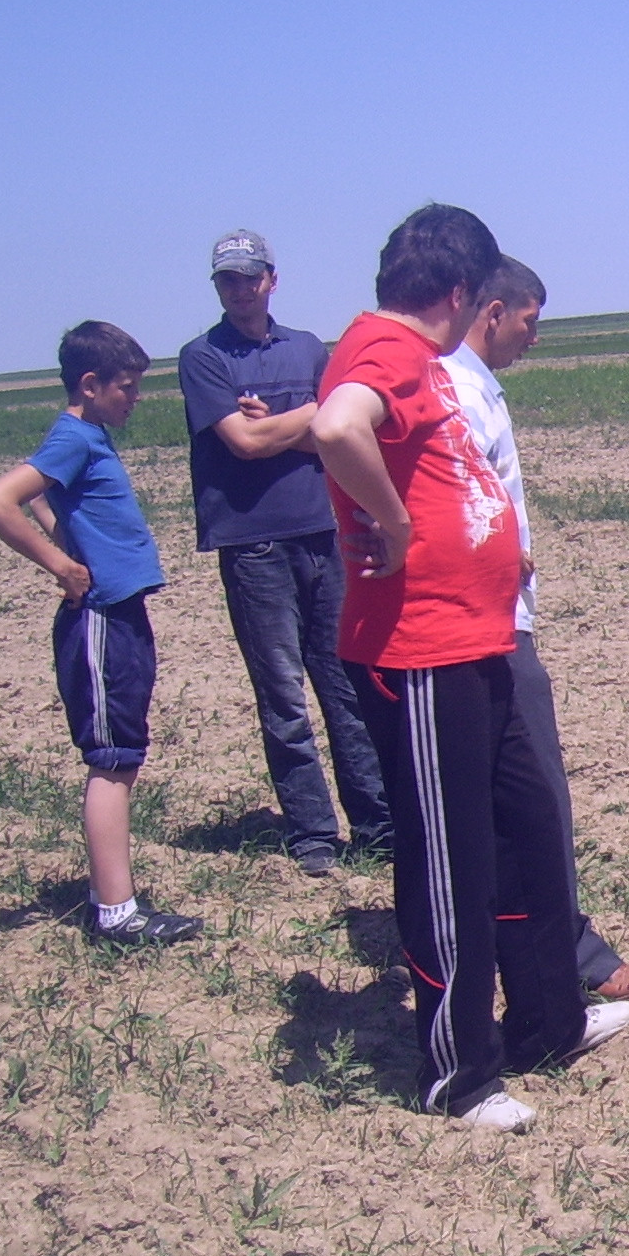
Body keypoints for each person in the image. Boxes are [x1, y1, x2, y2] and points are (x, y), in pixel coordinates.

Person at [310, 204, 629, 1133]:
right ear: (460, 292)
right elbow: (340, 427)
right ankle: (459, 1075)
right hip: (420, 653)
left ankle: (547, 1023)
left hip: (481, 638)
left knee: (526, 834)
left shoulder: (407, 357)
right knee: (451, 862)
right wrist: (401, 524)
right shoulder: (386, 348)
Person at [439, 256, 629, 1005]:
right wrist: (503, 551)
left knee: (510, 808)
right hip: (491, 628)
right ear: (494, 309)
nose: (535, 339)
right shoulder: (459, 391)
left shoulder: (465, 384)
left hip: (492, 620)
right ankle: (571, 961)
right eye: (531, 322)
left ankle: (545, 965)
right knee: (534, 802)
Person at [0, 322, 203, 947]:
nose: (136, 399)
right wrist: (63, 565)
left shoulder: (86, 436)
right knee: (112, 762)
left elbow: (51, 502)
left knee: (122, 754)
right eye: (127, 387)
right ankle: (118, 913)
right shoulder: (74, 436)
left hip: (120, 614)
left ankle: (110, 893)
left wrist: (63, 535)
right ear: (91, 384)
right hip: (99, 618)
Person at [178, 229, 389, 876]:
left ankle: (378, 825)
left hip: (323, 532)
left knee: (345, 682)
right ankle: (312, 833)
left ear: (272, 278)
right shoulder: (202, 357)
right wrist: (305, 418)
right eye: (227, 280)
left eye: (249, 277)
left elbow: (340, 434)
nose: (239, 289)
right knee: (283, 696)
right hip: (251, 543)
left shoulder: (307, 348)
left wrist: (281, 422)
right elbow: (244, 443)